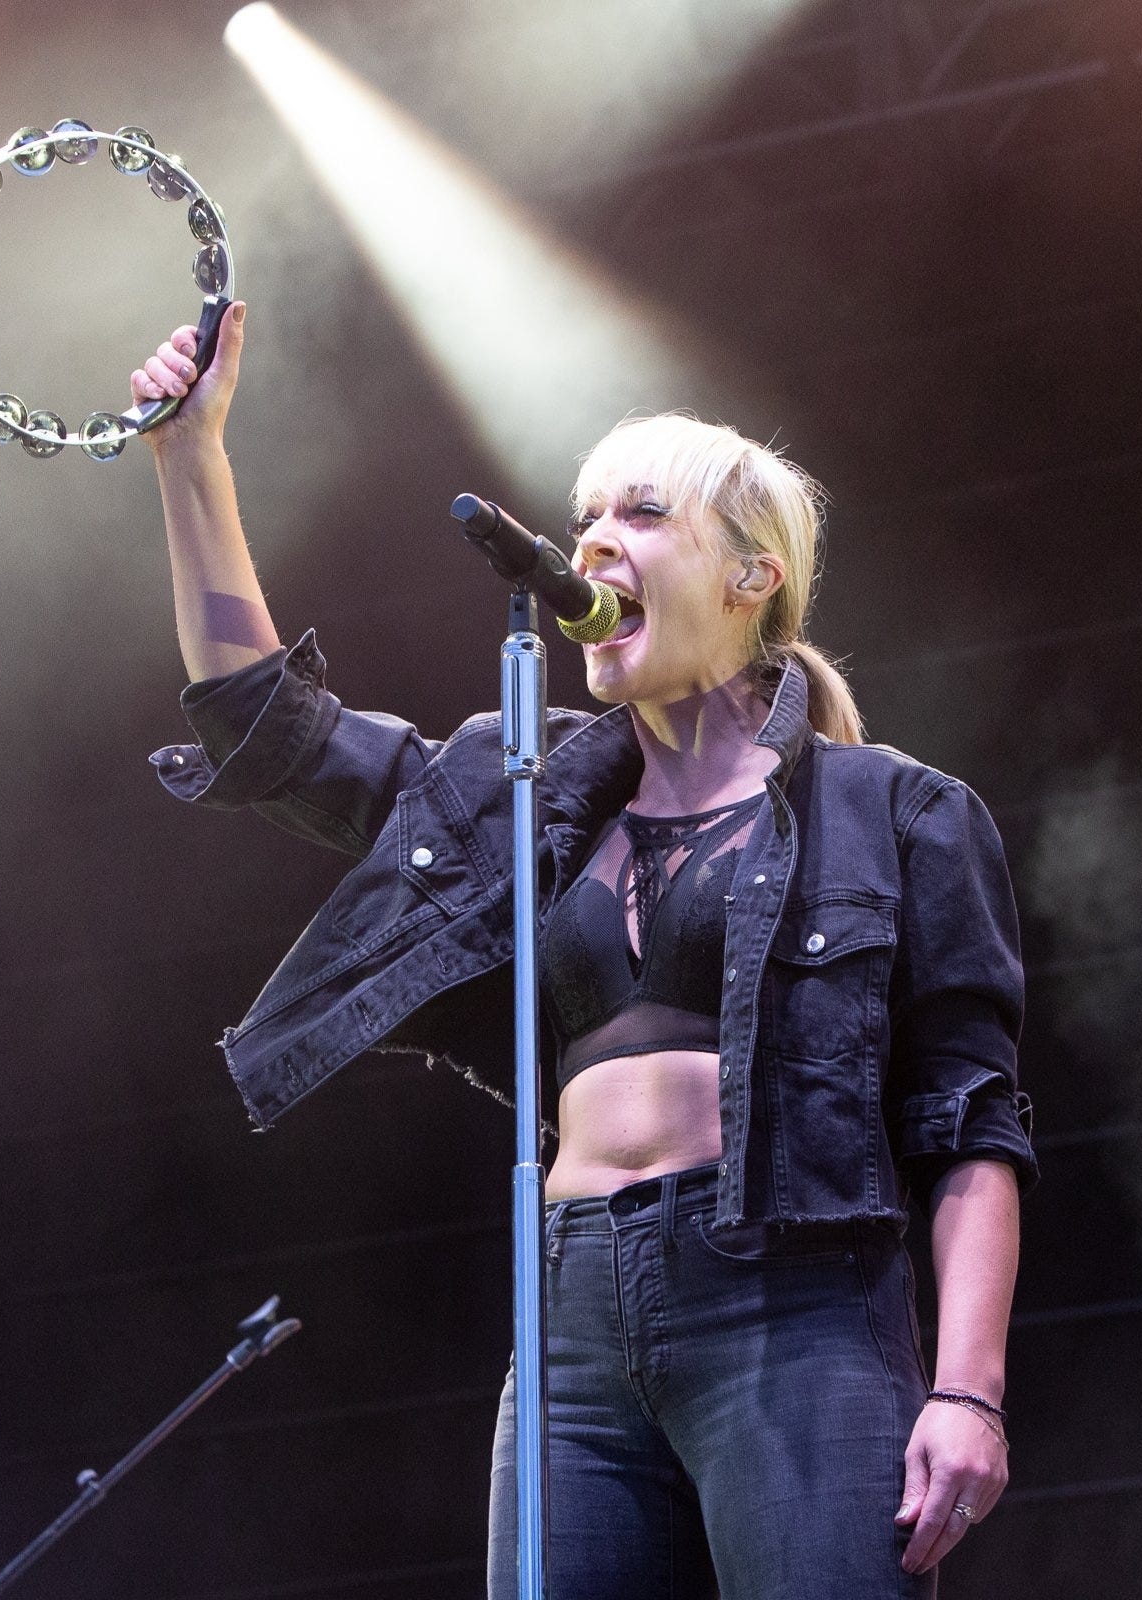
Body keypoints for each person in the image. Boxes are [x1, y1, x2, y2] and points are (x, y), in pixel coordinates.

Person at [132, 303, 1033, 1599]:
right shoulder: (517, 790)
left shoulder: (895, 812)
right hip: (572, 1318)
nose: (597, 540)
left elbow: (969, 1123)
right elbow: (271, 732)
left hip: (792, 1302)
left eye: (645, 514)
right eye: (588, 516)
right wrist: (191, 458)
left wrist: (970, 1391)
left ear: (751, 575)